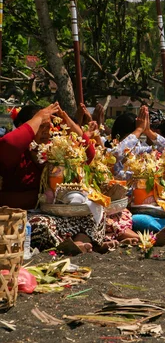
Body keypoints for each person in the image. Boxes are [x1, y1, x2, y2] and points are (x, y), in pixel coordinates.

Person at [0, 103, 110, 254]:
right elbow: (8, 144)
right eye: (41, 126)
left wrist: (66, 120)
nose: (46, 132)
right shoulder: (15, 155)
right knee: (41, 225)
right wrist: (39, 117)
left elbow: (88, 153)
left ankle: (81, 240)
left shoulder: (55, 151)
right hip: (24, 216)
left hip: (55, 214)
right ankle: (72, 244)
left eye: (49, 127)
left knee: (97, 212)